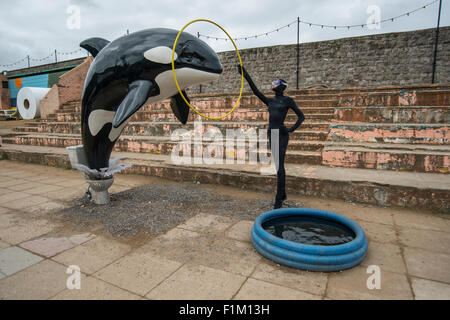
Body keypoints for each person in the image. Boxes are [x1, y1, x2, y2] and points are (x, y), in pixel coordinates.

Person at [238, 66, 305, 209]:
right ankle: (283, 193)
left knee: (280, 166)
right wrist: (245, 74)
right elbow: (256, 91)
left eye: (276, 83)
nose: (273, 85)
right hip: (272, 133)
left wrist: (291, 129)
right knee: (277, 165)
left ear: (282, 86)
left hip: (282, 134)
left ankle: (278, 199)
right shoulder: (270, 101)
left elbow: (301, 116)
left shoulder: (287, 100)